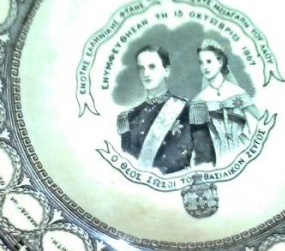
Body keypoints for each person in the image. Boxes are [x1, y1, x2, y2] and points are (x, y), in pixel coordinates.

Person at [117, 45, 216, 174]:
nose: (146, 73)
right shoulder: (129, 117)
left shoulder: (191, 110)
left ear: (166, 71)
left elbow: (206, 164)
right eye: (141, 68)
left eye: (152, 67)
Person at [191, 39, 275, 165]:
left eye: (209, 61)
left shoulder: (237, 92)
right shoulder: (199, 100)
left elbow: (261, 121)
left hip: (243, 149)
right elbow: (199, 138)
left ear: (220, 62)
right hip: (216, 155)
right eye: (201, 63)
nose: (205, 67)